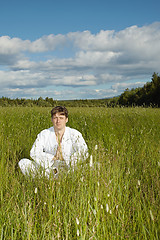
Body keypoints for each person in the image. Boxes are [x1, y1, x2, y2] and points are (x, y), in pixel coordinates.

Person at [18, 106, 88, 177]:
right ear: (51, 119)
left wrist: (67, 160)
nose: (58, 121)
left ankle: (52, 178)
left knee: (95, 166)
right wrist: (53, 158)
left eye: (61, 118)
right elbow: (34, 152)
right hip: (49, 167)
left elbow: (84, 151)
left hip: (69, 167)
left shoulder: (75, 134)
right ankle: (47, 179)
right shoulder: (44, 134)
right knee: (23, 163)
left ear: (66, 119)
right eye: (55, 118)